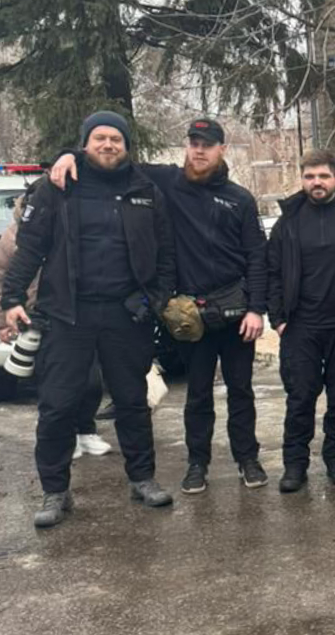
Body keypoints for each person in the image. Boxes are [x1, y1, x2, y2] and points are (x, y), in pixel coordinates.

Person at [51, 118, 269, 494]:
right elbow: (111, 156)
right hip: (190, 315)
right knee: (197, 394)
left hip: (235, 310)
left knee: (241, 392)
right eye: (194, 142)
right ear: (187, 145)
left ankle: (247, 459)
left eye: (208, 144)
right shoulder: (166, 182)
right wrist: (70, 154)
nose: (199, 150)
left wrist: (256, 309)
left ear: (221, 150)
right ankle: (197, 463)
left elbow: (257, 258)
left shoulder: (240, 199)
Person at [1, 111, 175, 527]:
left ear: (126, 145)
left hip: (125, 315)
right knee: (57, 405)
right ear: (85, 143)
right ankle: (55, 491)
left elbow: (166, 256)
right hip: (66, 315)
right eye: (99, 137)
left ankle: (142, 479)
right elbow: (29, 249)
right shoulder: (57, 187)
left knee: (133, 402)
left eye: (116, 138)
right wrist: (9, 299)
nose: (109, 145)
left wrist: (154, 300)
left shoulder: (146, 190)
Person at [267, 150, 335, 493]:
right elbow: (273, 272)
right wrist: (278, 319)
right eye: (310, 177)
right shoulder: (288, 221)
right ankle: (295, 465)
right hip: (300, 326)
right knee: (300, 398)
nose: (317, 183)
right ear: (303, 180)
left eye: (323, 176)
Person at [0, 189, 111, 458]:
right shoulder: (12, 237)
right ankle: (64, 437)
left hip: (74, 314)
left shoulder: (70, 226)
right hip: (33, 318)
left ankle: (86, 429)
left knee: (91, 380)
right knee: (52, 385)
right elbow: (4, 278)